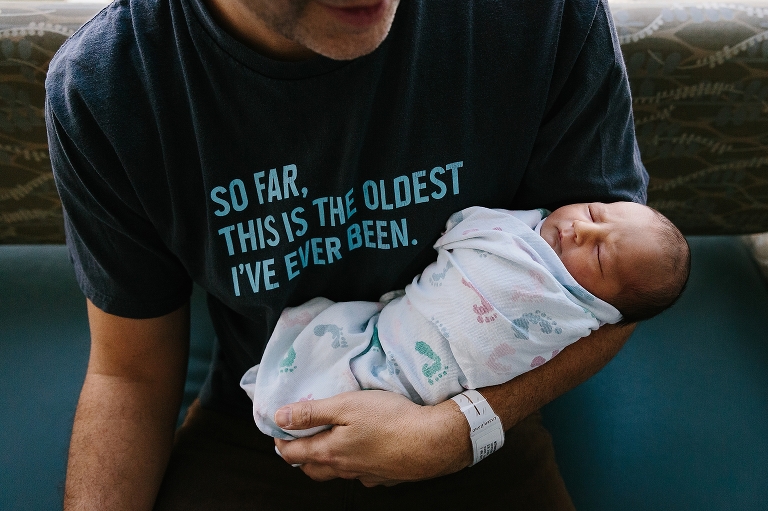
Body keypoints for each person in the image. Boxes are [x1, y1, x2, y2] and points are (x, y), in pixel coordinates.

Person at [45, 0, 651, 509]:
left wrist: (459, 430)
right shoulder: (113, 84)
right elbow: (129, 375)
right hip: (262, 427)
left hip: (481, 415)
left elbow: (618, 293)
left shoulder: (536, 16)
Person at [241, 202, 690, 440]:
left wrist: (454, 436)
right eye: (594, 213)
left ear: (604, 306)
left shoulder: (569, 311)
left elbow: (467, 235)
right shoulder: (531, 229)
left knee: (356, 372)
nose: (582, 230)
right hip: (389, 329)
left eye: (596, 253)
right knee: (330, 335)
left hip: (427, 389)